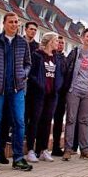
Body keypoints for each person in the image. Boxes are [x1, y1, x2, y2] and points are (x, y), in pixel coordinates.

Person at [0, 13, 33, 172]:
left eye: (16, 22)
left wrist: (23, 75)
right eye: (11, 22)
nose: (14, 24)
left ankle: (18, 158)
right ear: (4, 23)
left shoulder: (23, 43)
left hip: (17, 89)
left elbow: (27, 63)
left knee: (19, 122)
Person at [25, 32, 63, 163]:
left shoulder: (57, 58)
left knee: (47, 122)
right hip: (38, 94)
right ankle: (30, 149)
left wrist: (57, 86)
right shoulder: (37, 56)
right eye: (56, 40)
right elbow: (31, 74)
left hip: (51, 95)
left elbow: (60, 74)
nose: (58, 43)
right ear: (49, 42)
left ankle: (43, 149)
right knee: (34, 121)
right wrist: (40, 84)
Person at [63, 28, 88, 161]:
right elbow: (67, 68)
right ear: (82, 38)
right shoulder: (75, 52)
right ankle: (68, 149)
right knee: (71, 119)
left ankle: (84, 149)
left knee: (84, 121)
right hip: (74, 90)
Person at [51, 36, 69, 157]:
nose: (60, 44)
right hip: (49, 92)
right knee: (45, 120)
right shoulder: (50, 56)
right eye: (59, 42)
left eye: (63, 43)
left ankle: (56, 146)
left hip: (61, 93)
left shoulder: (65, 59)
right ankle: (40, 148)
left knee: (58, 121)